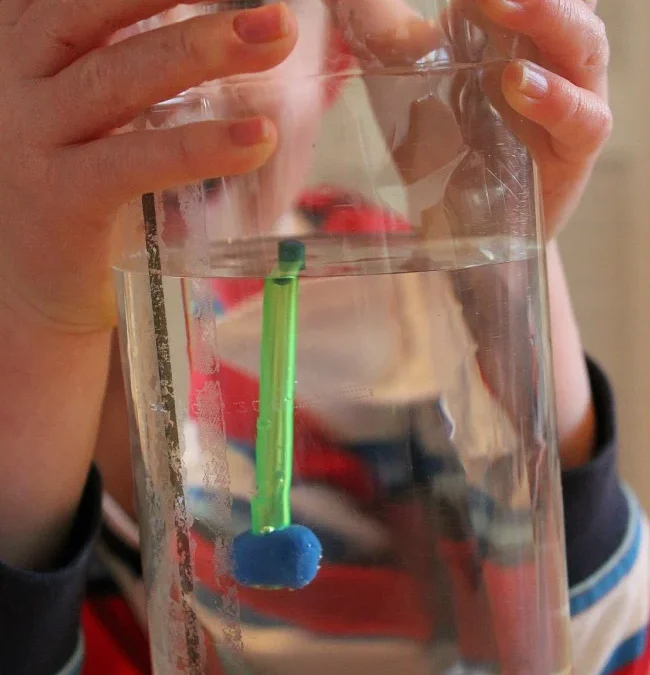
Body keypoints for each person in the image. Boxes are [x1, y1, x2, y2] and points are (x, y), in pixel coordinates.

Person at [0, 0, 643, 674]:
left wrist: (506, 285)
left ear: (336, 57)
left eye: (240, 5)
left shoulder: (406, 313)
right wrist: (41, 319)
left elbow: (604, 654)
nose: (174, 70)